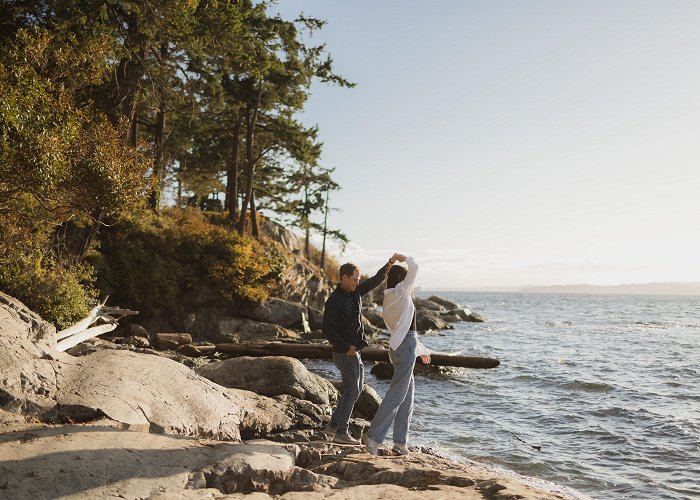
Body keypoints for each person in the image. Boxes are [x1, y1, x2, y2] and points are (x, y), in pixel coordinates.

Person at [322, 254, 401, 444]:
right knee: (352, 391)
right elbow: (327, 329)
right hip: (343, 353)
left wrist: (389, 264)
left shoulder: (356, 292)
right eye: (354, 279)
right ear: (344, 278)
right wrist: (345, 347)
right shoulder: (334, 300)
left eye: (358, 279)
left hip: (354, 350)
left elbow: (375, 280)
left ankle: (332, 427)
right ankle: (342, 431)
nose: (357, 282)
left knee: (355, 391)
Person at [363, 254, 430, 456]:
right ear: (402, 280)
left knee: (407, 396)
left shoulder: (389, 297)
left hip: (399, 347)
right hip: (405, 348)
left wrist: (422, 350)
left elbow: (404, 329)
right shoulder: (401, 292)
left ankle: (400, 443)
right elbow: (415, 268)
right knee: (397, 395)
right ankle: (373, 436)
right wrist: (405, 258)